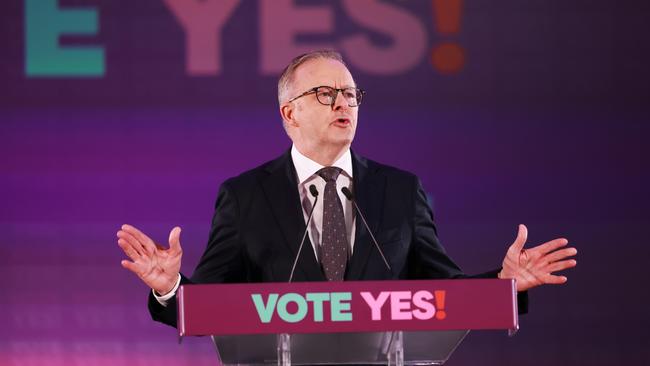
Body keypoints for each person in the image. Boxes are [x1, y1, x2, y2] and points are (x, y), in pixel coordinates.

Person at [116, 50, 577, 328]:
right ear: (289, 114)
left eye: (351, 94)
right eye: (324, 94)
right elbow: (207, 308)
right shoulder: (245, 196)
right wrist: (170, 288)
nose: (343, 103)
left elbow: (443, 296)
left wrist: (504, 285)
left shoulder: (399, 190)